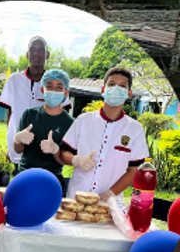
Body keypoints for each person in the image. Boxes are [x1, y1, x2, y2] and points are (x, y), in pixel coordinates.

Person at [62, 66, 150, 199]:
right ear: (103, 89)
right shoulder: (83, 120)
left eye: (122, 86)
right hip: (76, 197)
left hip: (110, 203)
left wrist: (110, 194)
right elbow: (64, 152)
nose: (116, 89)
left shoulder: (134, 129)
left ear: (129, 93)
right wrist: (76, 159)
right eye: (112, 84)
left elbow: (134, 170)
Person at [9, 66, 77, 180]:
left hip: (52, 178)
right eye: (49, 87)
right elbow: (18, 149)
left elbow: (66, 160)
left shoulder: (70, 123)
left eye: (59, 88)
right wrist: (18, 139)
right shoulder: (29, 114)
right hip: (25, 174)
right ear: (42, 90)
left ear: (66, 93)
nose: (53, 91)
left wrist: (55, 150)